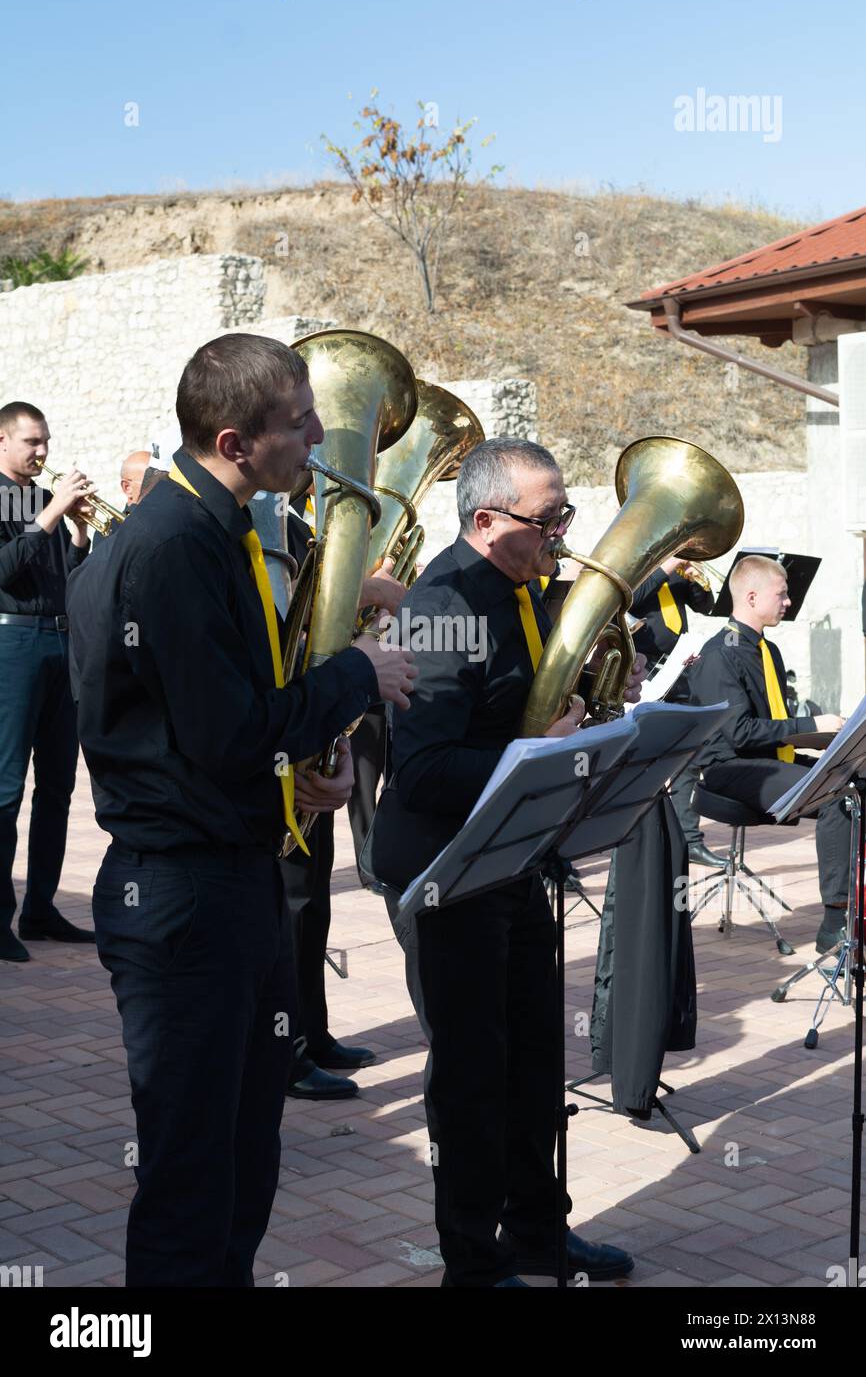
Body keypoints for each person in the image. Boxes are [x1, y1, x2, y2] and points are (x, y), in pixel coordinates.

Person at [66, 333, 417, 1286]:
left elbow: (204, 730)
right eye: (298, 422)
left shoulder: (205, 529)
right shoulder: (174, 546)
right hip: (185, 899)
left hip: (223, 880)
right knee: (191, 1187)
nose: (317, 436)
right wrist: (354, 673)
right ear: (233, 441)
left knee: (239, 1168)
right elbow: (224, 734)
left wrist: (296, 777)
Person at [370, 436, 643, 1288]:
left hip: (517, 858)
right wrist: (535, 751)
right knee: (472, 1074)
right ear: (488, 520)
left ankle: (536, 1232)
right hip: (448, 871)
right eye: (548, 517)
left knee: (532, 1062)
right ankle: (471, 1263)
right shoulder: (440, 608)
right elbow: (419, 771)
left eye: (566, 512)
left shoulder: (521, 589)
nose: (564, 531)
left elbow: (523, 712)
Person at [279, 493, 408, 1101]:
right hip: (284, 735)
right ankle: (288, 1049)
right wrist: (368, 592)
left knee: (313, 897)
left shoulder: (301, 527)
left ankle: (313, 1030)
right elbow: (288, 623)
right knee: (293, 901)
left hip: (318, 724)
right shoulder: (254, 530)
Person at [687, 554, 848, 952]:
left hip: (768, 760)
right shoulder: (718, 654)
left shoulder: (767, 650)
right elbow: (739, 734)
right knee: (839, 795)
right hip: (729, 769)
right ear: (753, 596)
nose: (788, 602)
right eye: (783, 594)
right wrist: (811, 727)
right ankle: (835, 924)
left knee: (855, 774)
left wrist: (829, 739)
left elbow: (772, 725)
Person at [0, 401, 95, 962]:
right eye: (32, 442)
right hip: (12, 643)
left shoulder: (44, 502)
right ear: (3, 441)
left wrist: (79, 533)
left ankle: (40, 907)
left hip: (63, 643)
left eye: (46, 442)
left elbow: (75, 578)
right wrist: (50, 516)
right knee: (7, 788)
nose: (43, 452)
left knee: (57, 786)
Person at [631, 556, 723, 869]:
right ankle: (642, 841)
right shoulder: (637, 564)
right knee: (643, 761)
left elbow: (706, 606)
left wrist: (697, 578)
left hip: (678, 671)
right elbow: (634, 596)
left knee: (688, 757)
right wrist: (669, 565)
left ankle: (690, 839)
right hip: (643, 673)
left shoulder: (674, 574)